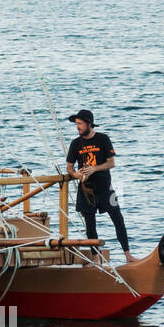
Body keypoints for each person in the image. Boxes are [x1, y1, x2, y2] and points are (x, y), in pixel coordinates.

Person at [65, 109, 133, 262]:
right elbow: (69, 168)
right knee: (90, 224)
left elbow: (111, 163)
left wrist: (95, 168)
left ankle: (128, 255)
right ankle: (96, 258)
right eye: (76, 124)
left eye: (80, 124)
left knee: (118, 218)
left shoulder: (103, 139)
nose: (78, 127)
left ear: (89, 123)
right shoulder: (75, 143)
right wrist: (78, 175)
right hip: (86, 189)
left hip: (105, 188)